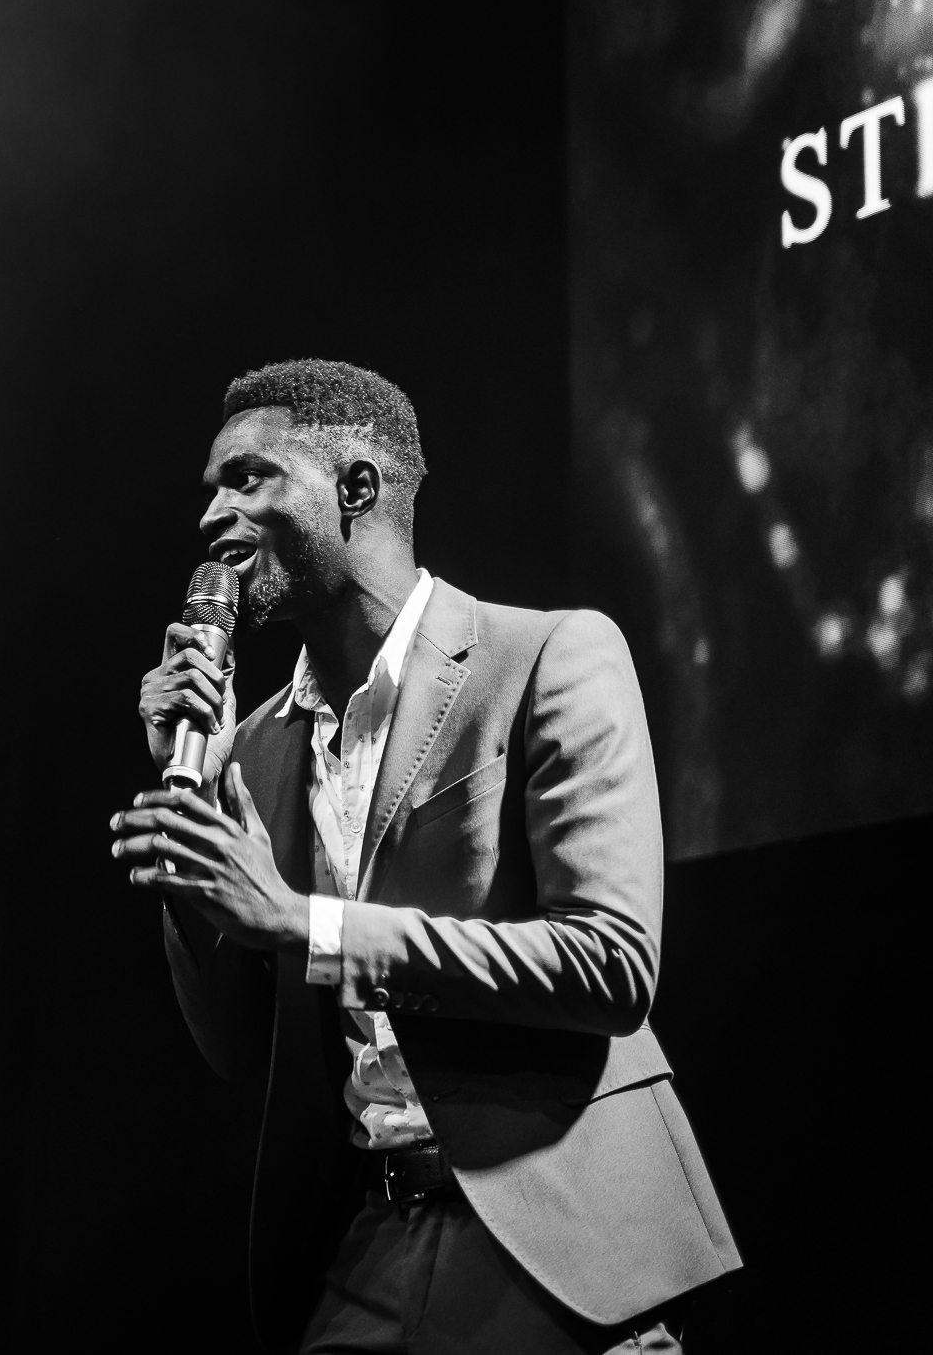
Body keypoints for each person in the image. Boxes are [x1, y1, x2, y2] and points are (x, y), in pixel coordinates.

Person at [109, 360, 738, 1354]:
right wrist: (196, 791)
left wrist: (305, 923)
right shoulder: (256, 747)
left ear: (354, 488)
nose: (211, 515)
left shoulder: (547, 657)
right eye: (210, 489)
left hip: (555, 1227)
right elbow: (239, 1049)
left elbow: (611, 965)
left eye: (247, 478)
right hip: (368, 1241)